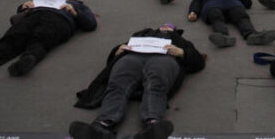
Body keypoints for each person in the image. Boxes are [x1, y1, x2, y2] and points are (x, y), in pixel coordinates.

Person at [70, 23, 205, 139]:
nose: (165, 27)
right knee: (117, 85)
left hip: (164, 58)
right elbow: (113, 57)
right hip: (133, 57)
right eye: (163, 25)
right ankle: (101, 126)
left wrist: (181, 52)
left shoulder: (180, 41)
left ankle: (152, 125)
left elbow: (198, 61)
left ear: (175, 31)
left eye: (170, 27)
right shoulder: (141, 35)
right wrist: (117, 51)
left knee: (156, 84)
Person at [0, 0, 96, 76]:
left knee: (41, 39)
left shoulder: (79, 6)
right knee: (14, 36)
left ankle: (25, 62)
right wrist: (24, 6)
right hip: (34, 14)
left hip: (60, 19)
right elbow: (21, 12)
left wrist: (74, 13)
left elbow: (91, 24)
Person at [187, 0, 275, 48]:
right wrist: (193, 12)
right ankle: (222, 36)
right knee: (215, 16)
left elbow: (247, 2)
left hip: (231, 2)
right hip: (212, 3)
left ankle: (251, 35)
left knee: (240, 15)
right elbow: (196, 2)